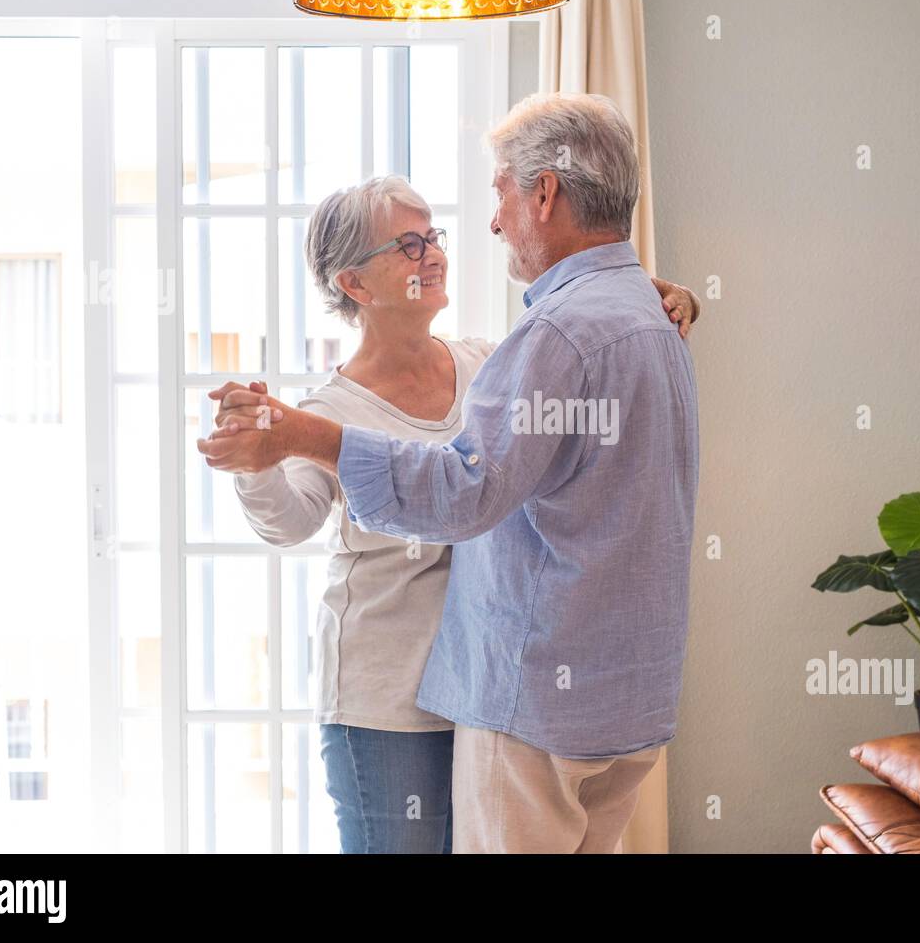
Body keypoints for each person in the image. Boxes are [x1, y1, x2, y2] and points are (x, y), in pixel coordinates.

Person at [208, 168, 699, 853]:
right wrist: (255, 465)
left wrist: (653, 295)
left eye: (432, 235)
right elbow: (288, 522)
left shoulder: (489, 364)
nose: (434, 254)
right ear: (353, 283)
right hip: (388, 704)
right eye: (408, 246)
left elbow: (578, 348)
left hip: (486, 689)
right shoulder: (329, 412)